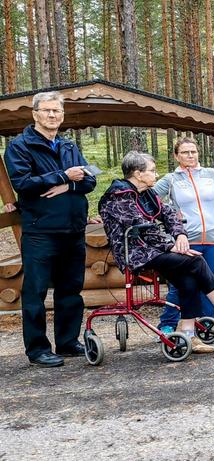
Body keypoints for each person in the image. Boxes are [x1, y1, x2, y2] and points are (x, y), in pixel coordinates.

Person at [99, 152, 214, 354]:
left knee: (189, 279)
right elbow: (141, 227)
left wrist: (180, 235)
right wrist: (170, 245)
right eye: (152, 171)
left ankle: (189, 334)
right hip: (134, 253)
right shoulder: (118, 196)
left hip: (153, 249)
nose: (156, 175)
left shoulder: (146, 193)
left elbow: (169, 213)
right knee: (195, 261)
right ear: (138, 174)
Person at [4, 91, 96, 367]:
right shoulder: (20, 146)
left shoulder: (68, 146)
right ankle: (37, 350)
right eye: (47, 110)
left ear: (62, 115)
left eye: (57, 111)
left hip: (73, 229)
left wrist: (68, 185)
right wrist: (62, 175)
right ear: (35, 114)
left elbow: (90, 180)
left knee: (71, 290)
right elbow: (23, 183)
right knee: (35, 292)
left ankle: (67, 342)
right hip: (40, 231)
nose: (52, 115)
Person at [153, 138, 214, 333]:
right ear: (176, 156)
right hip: (186, 239)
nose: (190, 156)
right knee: (181, 284)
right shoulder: (170, 180)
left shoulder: (211, 174)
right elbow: (149, 199)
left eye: (193, 151)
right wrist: (169, 213)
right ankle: (167, 325)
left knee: (210, 283)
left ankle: (206, 324)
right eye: (185, 152)